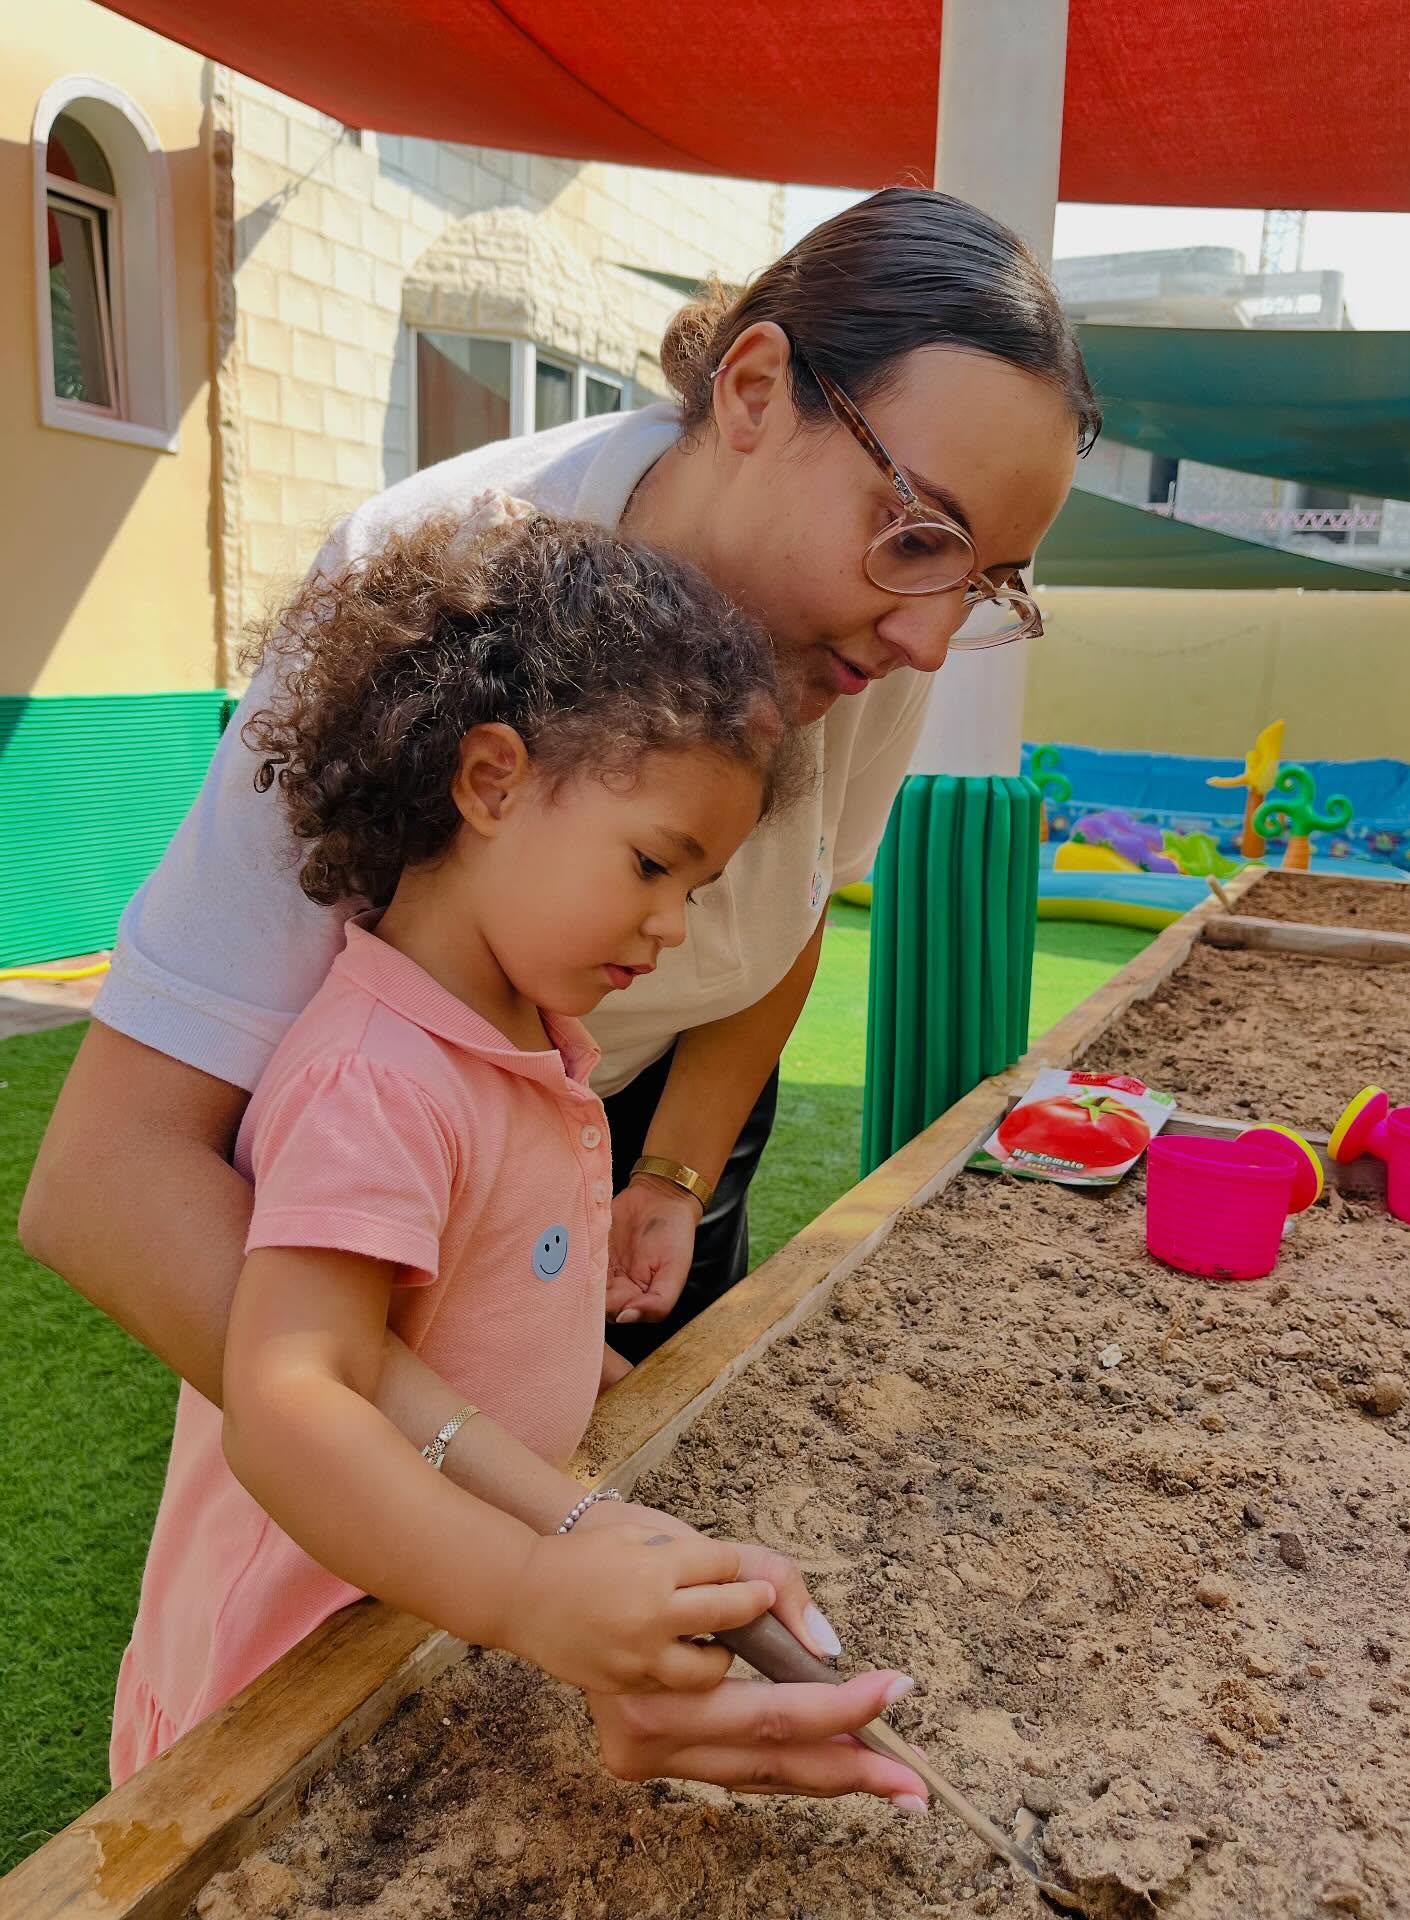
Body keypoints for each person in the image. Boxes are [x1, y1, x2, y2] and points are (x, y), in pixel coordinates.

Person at [25, 187, 1098, 1795]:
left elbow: (792, 914)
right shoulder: (435, 587)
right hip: (382, 1230)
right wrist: (514, 1518)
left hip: (565, 1149)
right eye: (919, 534)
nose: (935, 638)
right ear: (753, 391)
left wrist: (665, 1180)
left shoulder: (863, 639)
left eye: (988, 580)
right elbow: (114, 1189)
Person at [110, 503, 922, 1797]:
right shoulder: (380, 1081)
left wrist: (564, 1454)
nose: (672, 925)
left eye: (696, 889)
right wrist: (536, 1587)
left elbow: (445, 1328)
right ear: (491, 782)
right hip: (276, 1687)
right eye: (652, 864)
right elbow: (291, 1400)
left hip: (422, 1629)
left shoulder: (526, 1046)